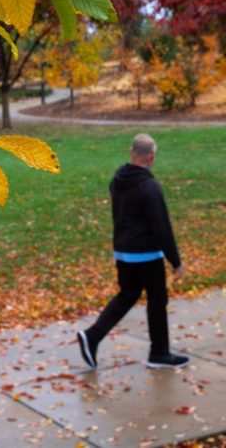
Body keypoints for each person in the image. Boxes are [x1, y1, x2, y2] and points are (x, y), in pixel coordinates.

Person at [77, 133, 189, 370]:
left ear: (132, 151)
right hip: (146, 254)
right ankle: (159, 353)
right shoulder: (150, 187)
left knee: (127, 295)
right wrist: (175, 261)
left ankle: (93, 336)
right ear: (152, 156)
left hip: (123, 251)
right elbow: (162, 227)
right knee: (157, 300)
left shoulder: (118, 179)